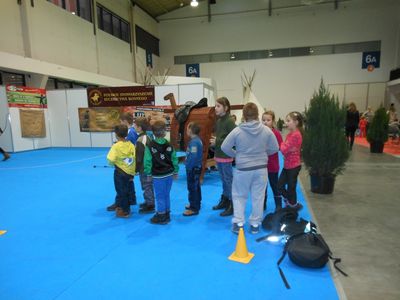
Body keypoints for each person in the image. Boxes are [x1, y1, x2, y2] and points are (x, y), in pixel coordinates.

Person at [222, 103, 279, 234]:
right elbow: (275, 148)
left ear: (243, 115)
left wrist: (236, 155)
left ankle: (238, 223)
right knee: (258, 197)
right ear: (257, 115)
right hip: (261, 169)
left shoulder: (237, 131)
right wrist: (263, 154)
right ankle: (255, 225)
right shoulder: (266, 131)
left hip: (242, 169)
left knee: (239, 196)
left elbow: (225, 147)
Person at [144, 120, 179, 225]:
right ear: (165, 132)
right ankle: (167, 213)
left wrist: (148, 174)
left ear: (153, 133)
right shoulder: (169, 145)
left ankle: (161, 215)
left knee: (159, 196)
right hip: (169, 175)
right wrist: (175, 171)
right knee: (166, 194)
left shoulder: (149, 146)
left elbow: (147, 162)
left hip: (158, 176)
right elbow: (174, 159)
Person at [210, 97, 236, 217]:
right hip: (219, 155)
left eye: (218, 106)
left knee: (228, 180)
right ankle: (225, 199)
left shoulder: (229, 121)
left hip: (226, 155)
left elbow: (234, 138)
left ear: (226, 108)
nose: (216, 108)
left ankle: (233, 204)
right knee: (223, 179)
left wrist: (217, 141)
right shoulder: (219, 121)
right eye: (215, 106)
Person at [106, 125, 136, 218]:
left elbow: (110, 159)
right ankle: (127, 207)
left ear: (116, 135)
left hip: (119, 173)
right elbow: (133, 158)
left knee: (121, 191)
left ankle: (124, 211)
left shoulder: (116, 146)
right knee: (128, 189)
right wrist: (132, 172)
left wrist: (113, 163)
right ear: (127, 133)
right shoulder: (131, 145)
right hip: (129, 172)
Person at [278, 111, 303, 211]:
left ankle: (292, 205)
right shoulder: (290, 135)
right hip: (287, 165)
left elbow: (283, 149)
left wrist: (283, 146)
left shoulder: (295, 135)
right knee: (280, 185)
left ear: (296, 122)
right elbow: (285, 150)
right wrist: (286, 147)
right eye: (286, 121)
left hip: (294, 166)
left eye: (289, 121)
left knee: (291, 188)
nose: (286, 123)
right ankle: (292, 202)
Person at [262, 111, 283, 211]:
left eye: (268, 120)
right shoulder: (260, 133)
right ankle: (263, 204)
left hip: (273, 166)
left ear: (273, 121)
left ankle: (278, 205)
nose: (265, 122)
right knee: (262, 187)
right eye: (263, 120)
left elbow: (279, 147)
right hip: (261, 166)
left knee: (275, 186)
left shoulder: (276, 133)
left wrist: (269, 149)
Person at [133, 117, 155, 214]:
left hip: (144, 168)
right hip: (148, 166)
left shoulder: (141, 139)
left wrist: (135, 169)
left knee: (146, 185)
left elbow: (139, 157)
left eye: (135, 125)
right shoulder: (147, 136)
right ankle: (148, 201)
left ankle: (150, 205)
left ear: (140, 127)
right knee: (147, 185)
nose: (134, 127)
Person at [183, 122, 203, 216]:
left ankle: (193, 208)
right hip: (195, 167)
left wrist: (188, 165)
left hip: (193, 168)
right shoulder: (196, 140)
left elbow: (194, 157)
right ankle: (196, 203)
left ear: (190, 130)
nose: (186, 130)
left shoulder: (194, 142)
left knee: (192, 188)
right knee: (196, 186)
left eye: (187, 129)